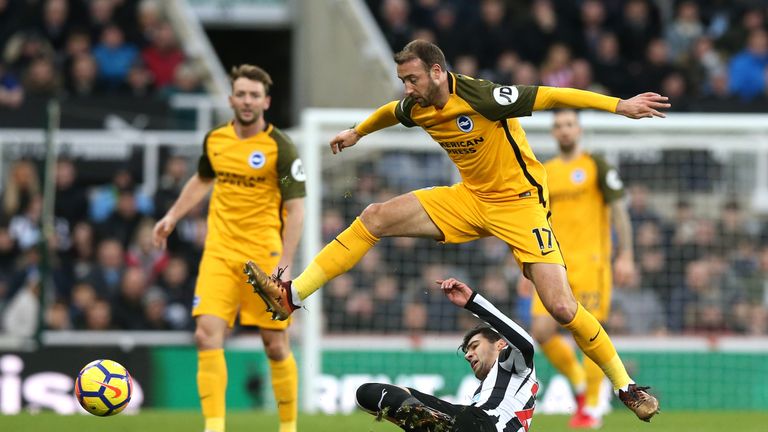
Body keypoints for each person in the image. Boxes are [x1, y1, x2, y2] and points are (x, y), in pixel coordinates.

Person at [245, 40, 663, 421]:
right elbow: (391, 112)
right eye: (403, 80)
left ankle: (625, 386)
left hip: (520, 205)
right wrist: (357, 132)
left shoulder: (481, 95)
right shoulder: (416, 105)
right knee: (374, 216)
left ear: (438, 72)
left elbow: (552, 95)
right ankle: (292, 295)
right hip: (469, 200)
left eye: (412, 78)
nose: (407, 88)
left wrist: (618, 105)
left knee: (561, 308)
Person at [153, 65, 305, 432]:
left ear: (266, 101)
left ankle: (288, 427)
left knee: (275, 345)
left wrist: (285, 263)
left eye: (255, 95)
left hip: (264, 257)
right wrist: (172, 216)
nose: (248, 101)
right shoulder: (216, 140)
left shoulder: (280, 147)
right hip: (219, 253)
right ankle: (215, 426)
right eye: (241, 94)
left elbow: (297, 208)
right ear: (231, 99)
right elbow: (203, 178)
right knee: (206, 334)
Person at [529, 109, 636, 429]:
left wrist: (626, 254)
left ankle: (591, 407)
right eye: (558, 126)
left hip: (592, 263)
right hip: (551, 263)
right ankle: (578, 383)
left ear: (579, 130)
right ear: (553, 132)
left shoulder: (597, 166)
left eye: (569, 125)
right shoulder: (544, 172)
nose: (564, 130)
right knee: (542, 331)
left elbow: (619, 211)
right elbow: (534, 219)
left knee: (588, 332)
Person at [356, 277, 537, 432]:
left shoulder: (512, 363)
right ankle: (426, 422)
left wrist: (473, 302)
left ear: (501, 344)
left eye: (475, 346)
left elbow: (526, 345)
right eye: (467, 351)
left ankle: (428, 422)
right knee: (365, 393)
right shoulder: (491, 390)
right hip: (469, 422)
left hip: (484, 424)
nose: (468, 355)